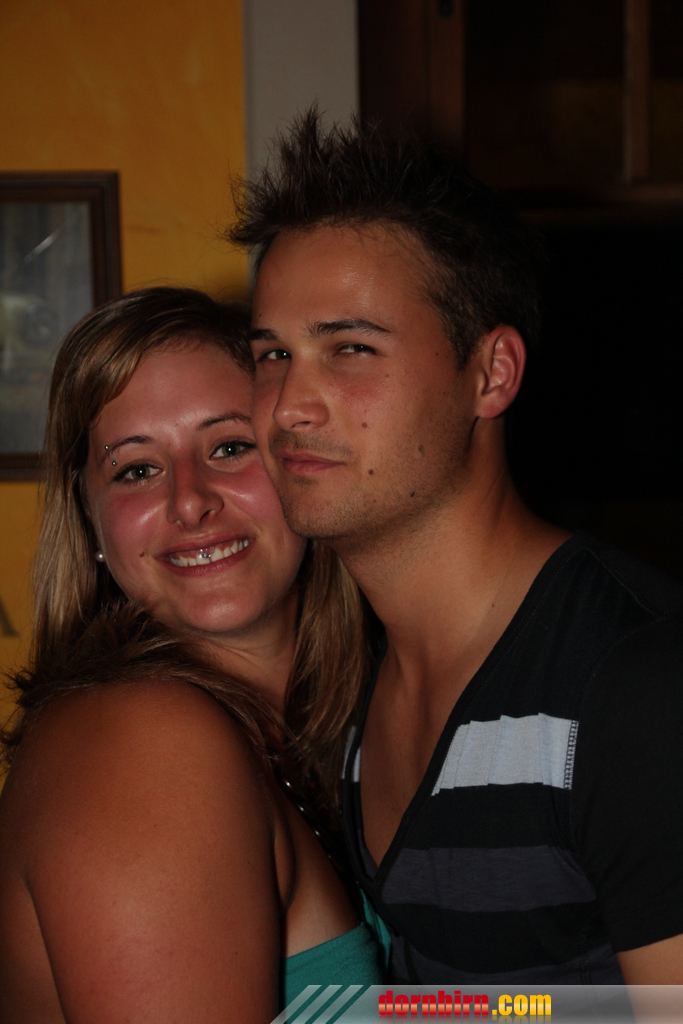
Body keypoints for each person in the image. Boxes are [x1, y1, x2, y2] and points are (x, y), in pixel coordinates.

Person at [229, 112, 683, 986]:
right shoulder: (348, 680)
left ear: (491, 373)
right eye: (272, 354)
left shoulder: (635, 685)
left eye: (349, 348)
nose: (287, 405)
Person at [0, 287, 385, 1024]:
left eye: (229, 448)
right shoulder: (141, 744)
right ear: (91, 521)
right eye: (136, 470)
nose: (189, 500)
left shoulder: (353, 726)